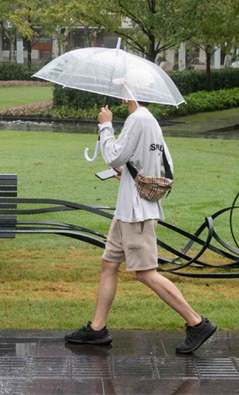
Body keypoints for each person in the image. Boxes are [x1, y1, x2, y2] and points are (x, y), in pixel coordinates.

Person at [65, 98, 217, 354]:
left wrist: (105, 126)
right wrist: (129, 172)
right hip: (128, 210)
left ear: (130, 95)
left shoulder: (137, 120)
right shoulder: (150, 121)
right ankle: (97, 329)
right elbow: (161, 163)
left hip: (136, 213)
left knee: (146, 273)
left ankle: (197, 322)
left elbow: (112, 154)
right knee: (109, 264)